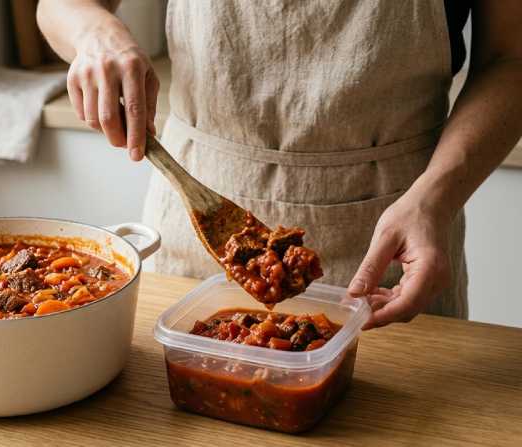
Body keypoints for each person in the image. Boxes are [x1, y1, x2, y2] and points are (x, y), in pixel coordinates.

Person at [37, 1, 522, 329]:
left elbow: (510, 56)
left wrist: (434, 200)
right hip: (193, 228)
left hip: (401, 237)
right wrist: (95, 34)